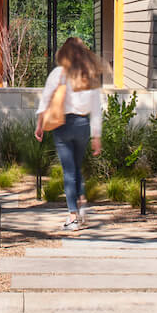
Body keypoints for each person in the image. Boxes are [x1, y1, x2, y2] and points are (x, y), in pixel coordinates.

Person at [33, 36, 104, 231]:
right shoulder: (89, 75)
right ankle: (81, 203)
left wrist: (39, 125)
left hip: (63, 126)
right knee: (77, 167)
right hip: (83, 125)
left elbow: (45, 100)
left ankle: (72, 215)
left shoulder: (58, 74)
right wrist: (96, 136)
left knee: (69, 171)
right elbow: (97, 109)